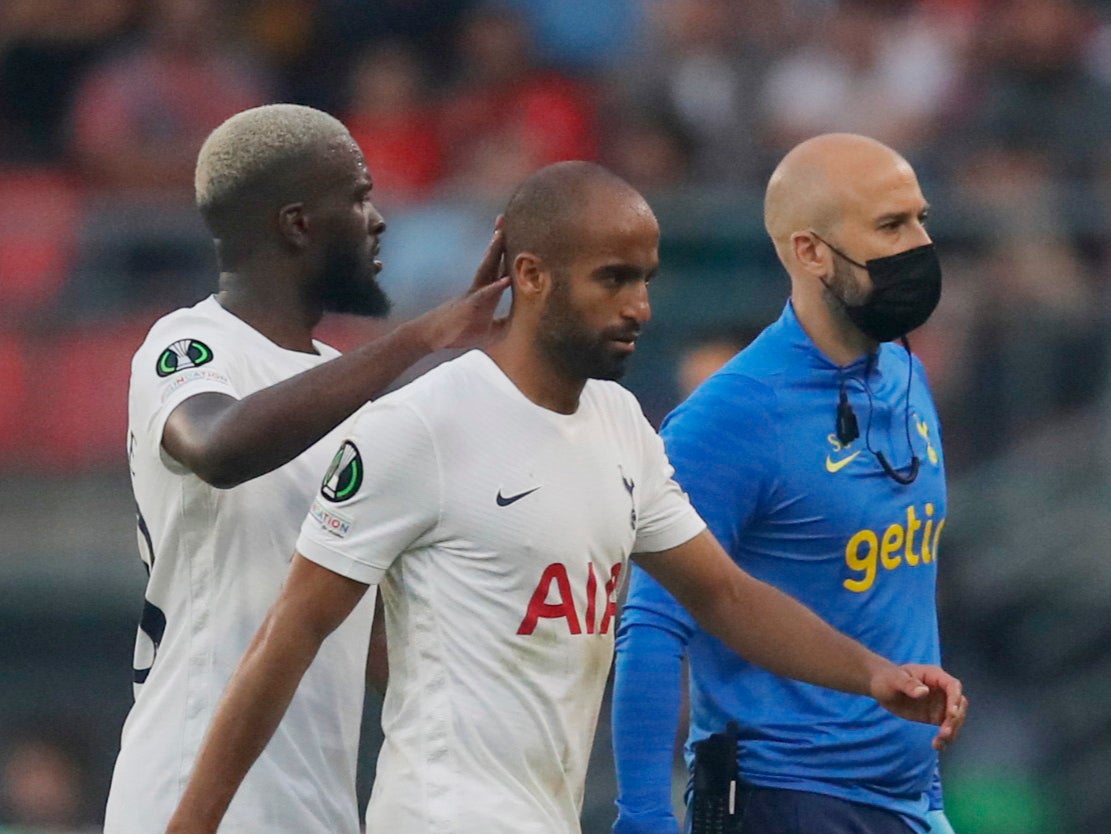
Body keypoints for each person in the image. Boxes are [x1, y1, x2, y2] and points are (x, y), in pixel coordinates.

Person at [164, 160, 966, 834]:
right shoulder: (422, 427)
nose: (639, 307)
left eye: (645, 279)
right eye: (612, 279)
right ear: (531, 276)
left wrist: (872, 675)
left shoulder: (619, 425)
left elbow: (722, 592)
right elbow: (290, 634)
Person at [103, 103, 510, 834]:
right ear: (297, 224)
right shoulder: (190, 344)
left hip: (318, 801)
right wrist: (420, 337)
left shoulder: (339, 387)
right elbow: (220, 448)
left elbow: (366, 626)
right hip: (188, 786)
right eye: (357, 197)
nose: (378, 218)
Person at [611, 133, 958, 834]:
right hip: (782, 796)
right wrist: (642, 815)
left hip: (910, 799)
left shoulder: (905, 376)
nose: (919, 244)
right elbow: (650, 625)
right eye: (890, 226)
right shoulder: (731, 415)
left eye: (919, 219)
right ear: (808, 252)